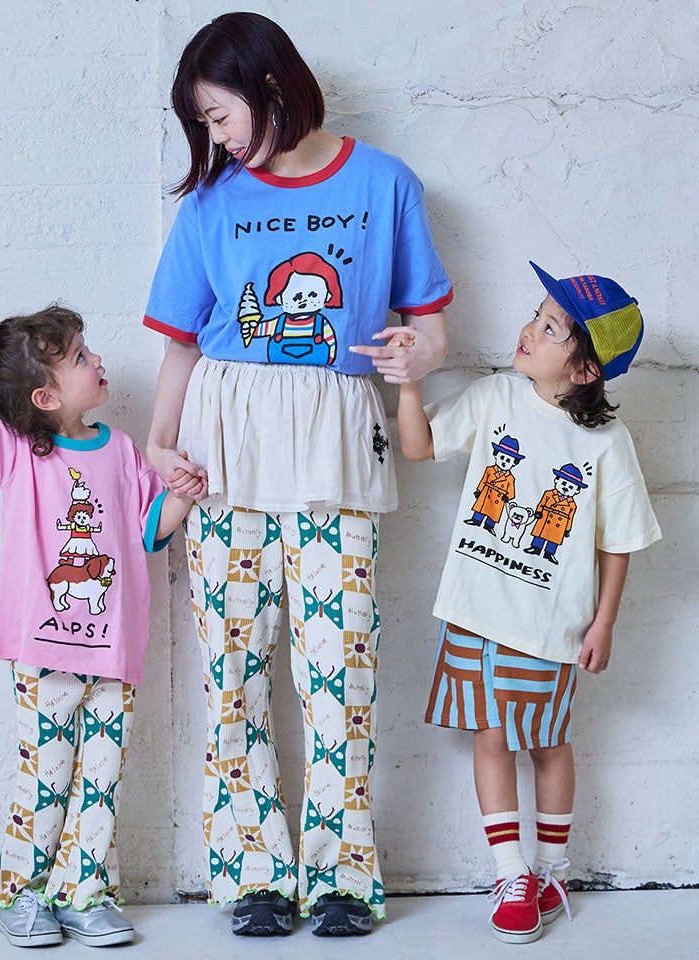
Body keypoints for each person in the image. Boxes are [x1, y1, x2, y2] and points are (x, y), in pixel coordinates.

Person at [144, 11, 452, 937]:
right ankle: (254, 873)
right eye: (202, 123)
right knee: (233, 670)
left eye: (218, 114)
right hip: (225, 448)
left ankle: (343, 876)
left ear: (270, 85)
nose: (215, 136)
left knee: (340, 667)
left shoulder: (385, 182)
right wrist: (159, 443)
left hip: (334, 442)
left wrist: (419, 354)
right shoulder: (209, 205)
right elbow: (181, 341)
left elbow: (430, 326)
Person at [396, 262, 661, 943]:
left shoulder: (606, 443)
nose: (528, 330)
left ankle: (551, 870)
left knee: (547, 742)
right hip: (476, 611)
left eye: (550, 328)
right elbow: (419, 446)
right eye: (535, 315)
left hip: (549, 625)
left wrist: (604, 623)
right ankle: (510, 872)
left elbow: (619, 542)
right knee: (490, 737)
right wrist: (409, 381)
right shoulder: (495, 397)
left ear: (585, 370)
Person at [0, 306, 197, 948]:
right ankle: (21, 893)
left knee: (100, 783)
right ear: (46, 395)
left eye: (88, 349)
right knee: (47, 777)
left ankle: (85, 895)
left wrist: (182, 494)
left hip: (113, 649)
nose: (98, 360)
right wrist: (14, 395)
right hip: (44, 650)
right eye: (80, 356)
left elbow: (150, 531)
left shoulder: (121, 450)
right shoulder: (18, 450)